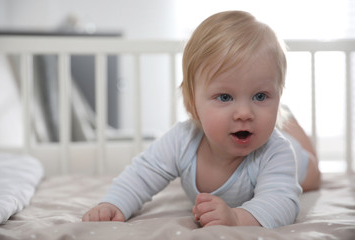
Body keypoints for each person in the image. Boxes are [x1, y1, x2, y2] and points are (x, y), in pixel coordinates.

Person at [82, 10, 321, 228]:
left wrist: (237, 217)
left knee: (312, 173)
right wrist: (114, 204)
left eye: (261, 96)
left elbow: (282, 202)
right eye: (225, 97)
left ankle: (287, 120)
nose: (244, 113)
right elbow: (143, 173)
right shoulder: (182, 140)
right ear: (191, 104)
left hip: (296, 159)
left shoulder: (276, 152)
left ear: (278, 95)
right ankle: (282, 115)